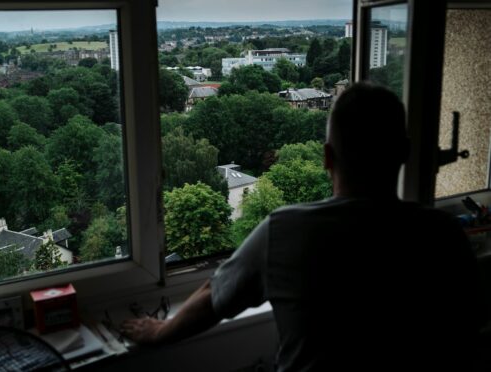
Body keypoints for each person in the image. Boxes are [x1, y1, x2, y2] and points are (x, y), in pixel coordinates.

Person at [120, 83, 486, 371]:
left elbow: (214, 296)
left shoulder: (286, 231)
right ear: (404, 153)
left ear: (327, 157)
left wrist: (159, 331)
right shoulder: (444, 235)